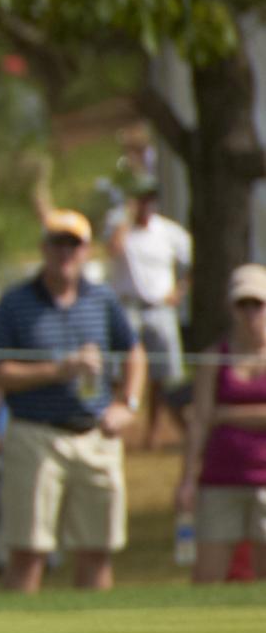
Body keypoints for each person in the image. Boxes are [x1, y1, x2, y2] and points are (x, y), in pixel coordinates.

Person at [0, 211, 145, 594]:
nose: (65, 252)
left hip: (96, 435)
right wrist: (57, 370)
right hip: (36, 435)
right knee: (28, 551)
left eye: (73, 244)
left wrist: (128, 404)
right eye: (57, 243)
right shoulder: (15, 302)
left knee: (98, 549)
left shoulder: (102, 299)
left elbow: (134, 351)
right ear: (43, 248)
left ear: (86, 250)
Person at [177, 262, 266, 585]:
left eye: (257, 304)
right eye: (243, 304)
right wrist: (187, 479)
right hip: (219, 478)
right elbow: (200, 421)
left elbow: (214, 415)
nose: (250, 312)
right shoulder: (215, 357)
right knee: (207, 577)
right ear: (231, 307)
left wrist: (227, 414)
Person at [102, 173, 191, 449]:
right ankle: (113, 426)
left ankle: (153, 434)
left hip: (159, 309)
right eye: (141, 198)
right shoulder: (119, 227)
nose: (146, 204)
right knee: (119, 372)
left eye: (150, 198)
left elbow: (192, 263)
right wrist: (126, 218)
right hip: (127, 308)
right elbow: (113, 248)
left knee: (162, 376)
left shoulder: (169, 231)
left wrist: (179, 291)